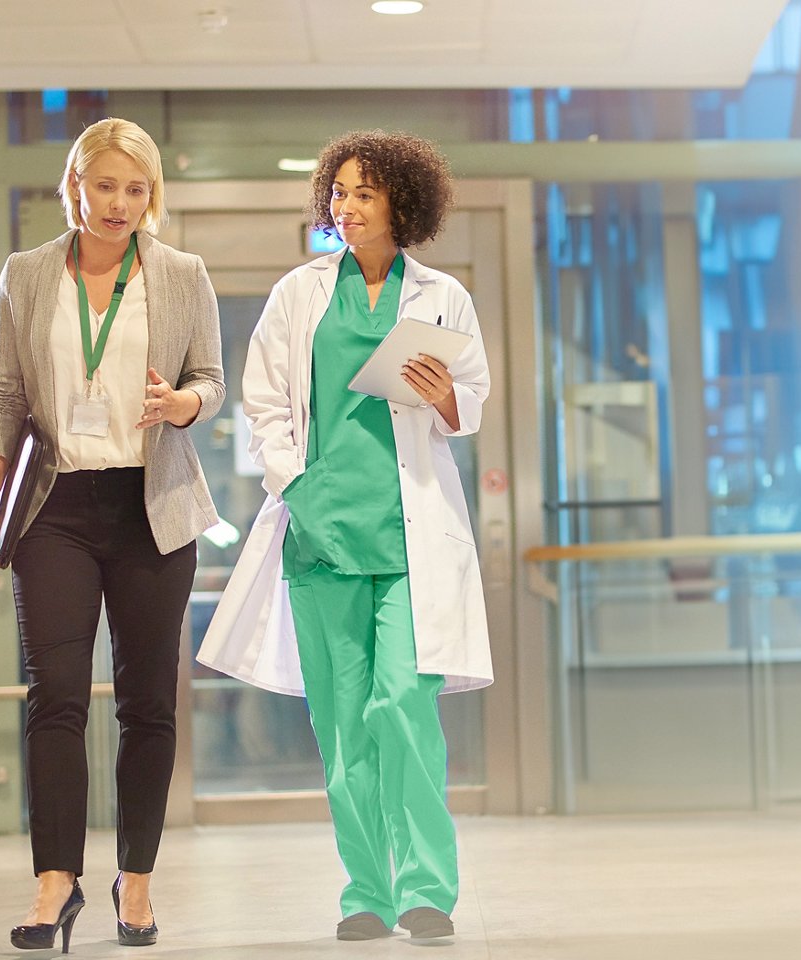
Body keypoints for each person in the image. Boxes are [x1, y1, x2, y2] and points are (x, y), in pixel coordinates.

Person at [198, 130, 493, 941]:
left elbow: (472, 401)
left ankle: (428, 887)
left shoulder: (441, 295)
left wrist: (443, 399)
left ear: (404, 202)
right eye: (340, 191)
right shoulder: (301, 294)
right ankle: (367, 891)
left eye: (365, 193)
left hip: (409, 537)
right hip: (321, 532)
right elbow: (265, 404)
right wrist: (297, 487)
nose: (346, 206)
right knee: (344, 725)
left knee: (403, 707)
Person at [0, 117, 224, 951]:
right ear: (74, 185)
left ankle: (137, 883)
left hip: (152, 505)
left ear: (153, 196)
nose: (119, 204)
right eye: (105, 185)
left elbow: (210, 381)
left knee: (148, 704)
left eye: (136, 189)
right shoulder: (27, 273)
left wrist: (182, 405)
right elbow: (5, 391)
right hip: (55, 508)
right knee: (57, 697)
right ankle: (55, 885)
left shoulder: (182, 274)